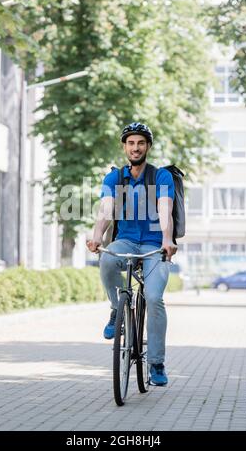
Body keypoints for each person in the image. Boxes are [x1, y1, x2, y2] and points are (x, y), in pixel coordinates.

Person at [87, 122, 177, 386]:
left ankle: (157, 363)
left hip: (154, 247)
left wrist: (167, 239)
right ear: (124, 146)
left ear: (147, 146)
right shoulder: (114, 178)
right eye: (130, 143)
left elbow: (165, 210)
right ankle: (117, 310)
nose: (135, 148)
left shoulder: (160, 177)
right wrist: (96, 236)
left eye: (140, 143)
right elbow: (105, 210)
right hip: (125, 241)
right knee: (107, 259)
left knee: (154, 297)